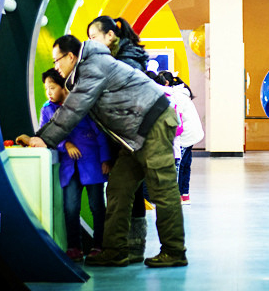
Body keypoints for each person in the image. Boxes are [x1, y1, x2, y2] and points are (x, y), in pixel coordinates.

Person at [28, 35, 187, 268]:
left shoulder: (93, 67)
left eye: (56, 60)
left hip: (153, 123)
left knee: (162, 188)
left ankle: (174, 251)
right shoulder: (85, 71)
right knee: (118, 188)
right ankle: (115, 250)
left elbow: (73, 109)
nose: (56, 66)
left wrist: (43, 139)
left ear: (70, 57)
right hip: (132, 135)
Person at [87, 15, 150, 261]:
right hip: (134, 135)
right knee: (131, 191)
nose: (91, 43)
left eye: (94, 37)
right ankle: (133, 247)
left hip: (129, 137)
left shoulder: (123, 62)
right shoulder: (129, 57)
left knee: (119, 191)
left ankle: (119, 249)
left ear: (110, 35)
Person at [39, 68, 111, 263]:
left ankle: (99, 246)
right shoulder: (47, 109)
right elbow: (45, 135)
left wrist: (105, 159)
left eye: (52, 87)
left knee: (97, 207)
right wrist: (66, 144)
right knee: (70, 208)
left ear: (64, 87)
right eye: (46, 88)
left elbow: (100, 132)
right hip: (69, 167)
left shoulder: (82, 105)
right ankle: (74, 248)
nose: (48, 92)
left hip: (92, 163)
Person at [155, 71, 204, 205]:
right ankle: (184, 195)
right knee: (185, 164)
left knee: (179, 165)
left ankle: (177, 196)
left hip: (185, 134)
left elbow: (176, 117)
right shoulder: (182, 93)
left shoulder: (176, 96)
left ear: (166, 83)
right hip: (192, 133)